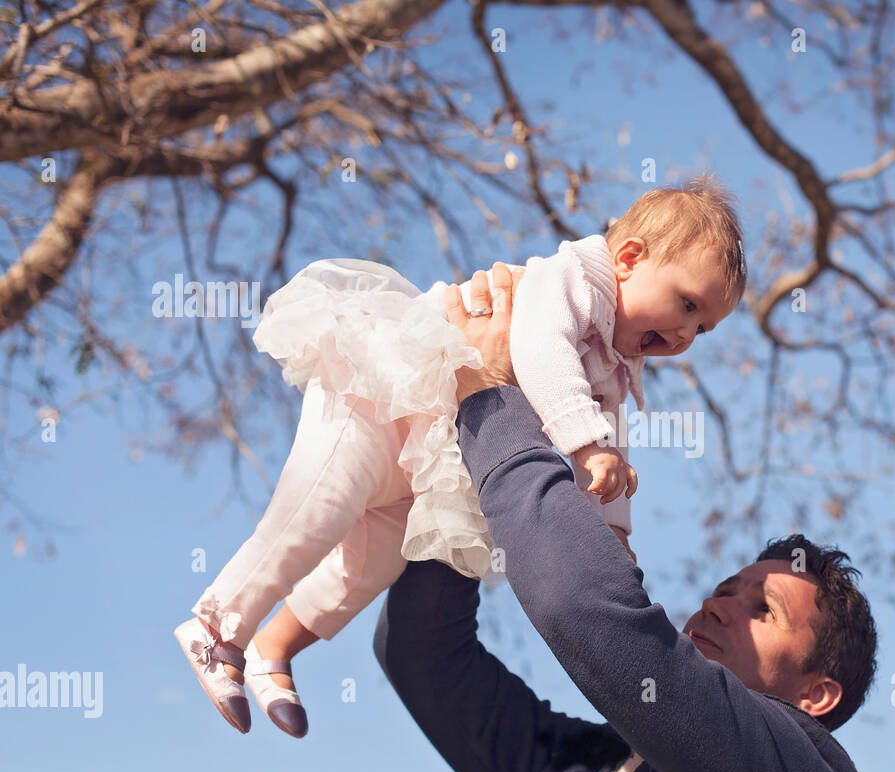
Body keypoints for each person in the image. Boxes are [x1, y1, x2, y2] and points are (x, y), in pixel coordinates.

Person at [171, 177, 746, 739]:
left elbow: (611, 458)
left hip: (427, 456)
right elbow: (541, 353)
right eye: (687, 304)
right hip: (384, 400)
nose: (685, 334)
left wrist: (614, 535)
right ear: (627, 258)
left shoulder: (619, 369)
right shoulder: (572, 281)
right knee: (315, 511)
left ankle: (274, 651)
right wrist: (589, 445)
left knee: (369, 567)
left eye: (703, 328)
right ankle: (217, 626)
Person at [373, 265, 878, 772]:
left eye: (762, 611)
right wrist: (457, 464)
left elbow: (584, 608)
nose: (716, 605)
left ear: (815, 696)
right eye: (726, 590)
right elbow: (419, 653)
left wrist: (491, 403)